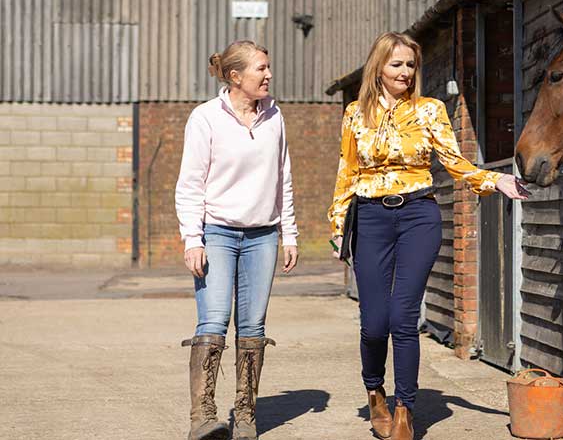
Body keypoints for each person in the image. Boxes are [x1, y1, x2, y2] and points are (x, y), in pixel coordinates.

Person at [327, 32, 530, 440]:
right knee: (373, 324)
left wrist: (493, 179)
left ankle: (405, 410)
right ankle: (375, 391)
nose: (405, 72)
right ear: (378, 68)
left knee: (403, 318)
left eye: (410, 65)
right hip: (369, 218)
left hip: (419, 214)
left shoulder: (430, 110)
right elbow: (347, 171)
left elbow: (454, 162)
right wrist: (337, 227)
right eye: (396, 64)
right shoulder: (354, 113)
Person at [175, 40, 299, 440]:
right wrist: (193, 238)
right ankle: (203, 418)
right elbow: (190, 183)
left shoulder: (274, 117)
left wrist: (289, 233)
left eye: (268, 67)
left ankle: (245, 415)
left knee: (253, 326)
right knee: (212, 322)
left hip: (263, 235)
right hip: (217, 233)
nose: (268, 75)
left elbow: (284, 179)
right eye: (260, 69)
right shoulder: (205, 118)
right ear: (235, 76)